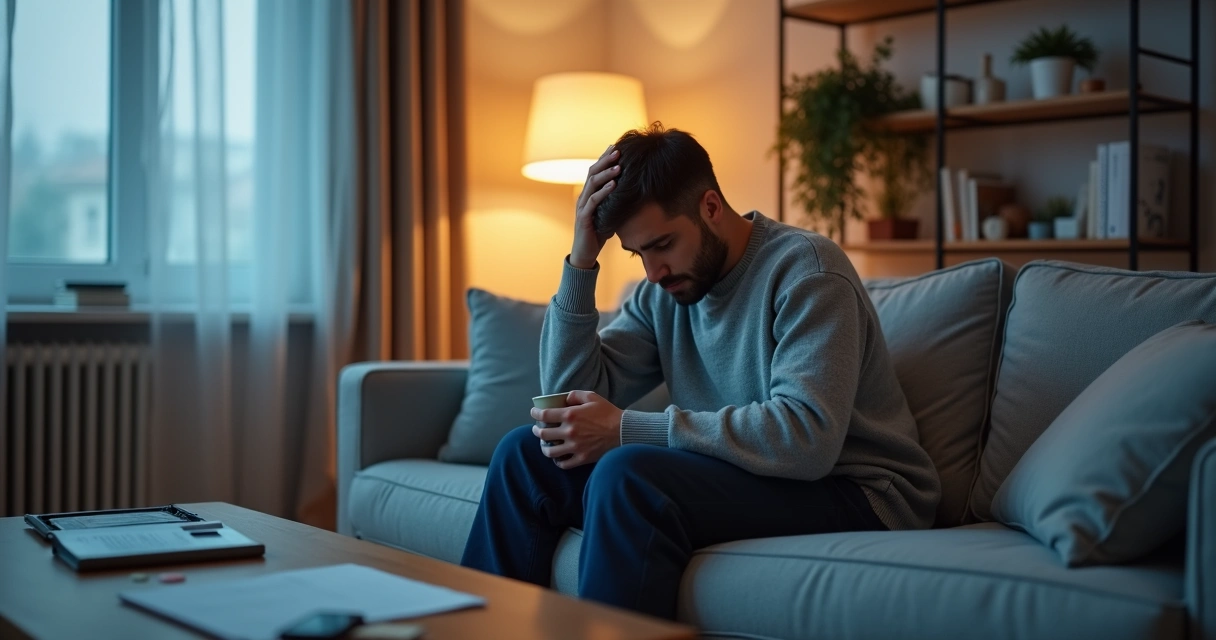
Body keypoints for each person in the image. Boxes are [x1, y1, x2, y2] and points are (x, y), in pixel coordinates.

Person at [460, 123, 940, 620]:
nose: (653, 271)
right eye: (638, 252)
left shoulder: (807, 271)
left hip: (857, 491)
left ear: (711, 207)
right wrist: (581, 260)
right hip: (751, 472)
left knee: (630, 476)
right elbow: (569, 402)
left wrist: (627, 430)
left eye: (663, 244)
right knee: (525, 455)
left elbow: (808, 439)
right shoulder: (662, 294)